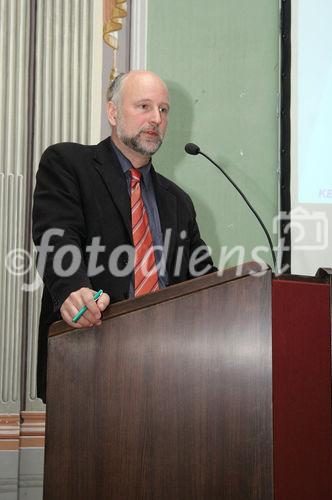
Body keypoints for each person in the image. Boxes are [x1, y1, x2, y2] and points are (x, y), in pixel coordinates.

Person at [32, 70, 215, 402]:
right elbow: (57, 238)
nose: (155, 119)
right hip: (88, 357)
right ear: (113, 113)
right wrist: (75, 291)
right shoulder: (69, 164)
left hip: (170, 372)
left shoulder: (178, 201)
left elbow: (203, 278)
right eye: (143, 106)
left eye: (163, 109)